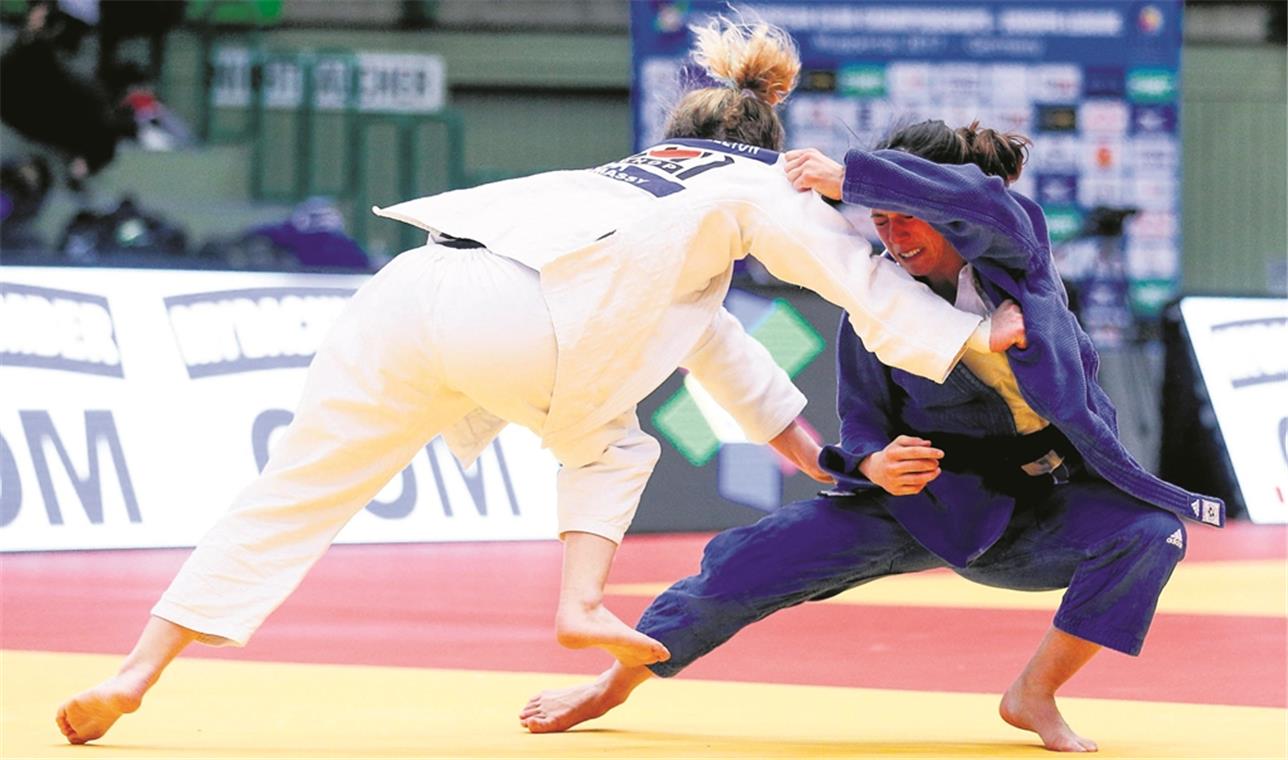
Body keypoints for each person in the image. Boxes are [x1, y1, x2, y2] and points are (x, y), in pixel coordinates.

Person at [54, 24, 1027, 746]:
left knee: (292, 489)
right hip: (517, 322)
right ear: (764, 135)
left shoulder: (622, 182)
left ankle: (140, 669)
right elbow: (850, 280)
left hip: (409, 289)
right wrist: (979, 331)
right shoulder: (752, 183)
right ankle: (581, 600)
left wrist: (828, 465)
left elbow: (726, 354)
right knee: (614, 439)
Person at [518, 120, 1225, 753]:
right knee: (746, 565)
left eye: (910, 218)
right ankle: (615, 683)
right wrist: (875, 463)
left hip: (1048, 502)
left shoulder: (1018, 260)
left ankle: (1032, 694)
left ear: (951, 212)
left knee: (1149, 533)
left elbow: (985, 201)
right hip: (927, 496)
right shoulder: (876, 301)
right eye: (879, 220)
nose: (894, 237)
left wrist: (848, 176)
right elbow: (861, 423)